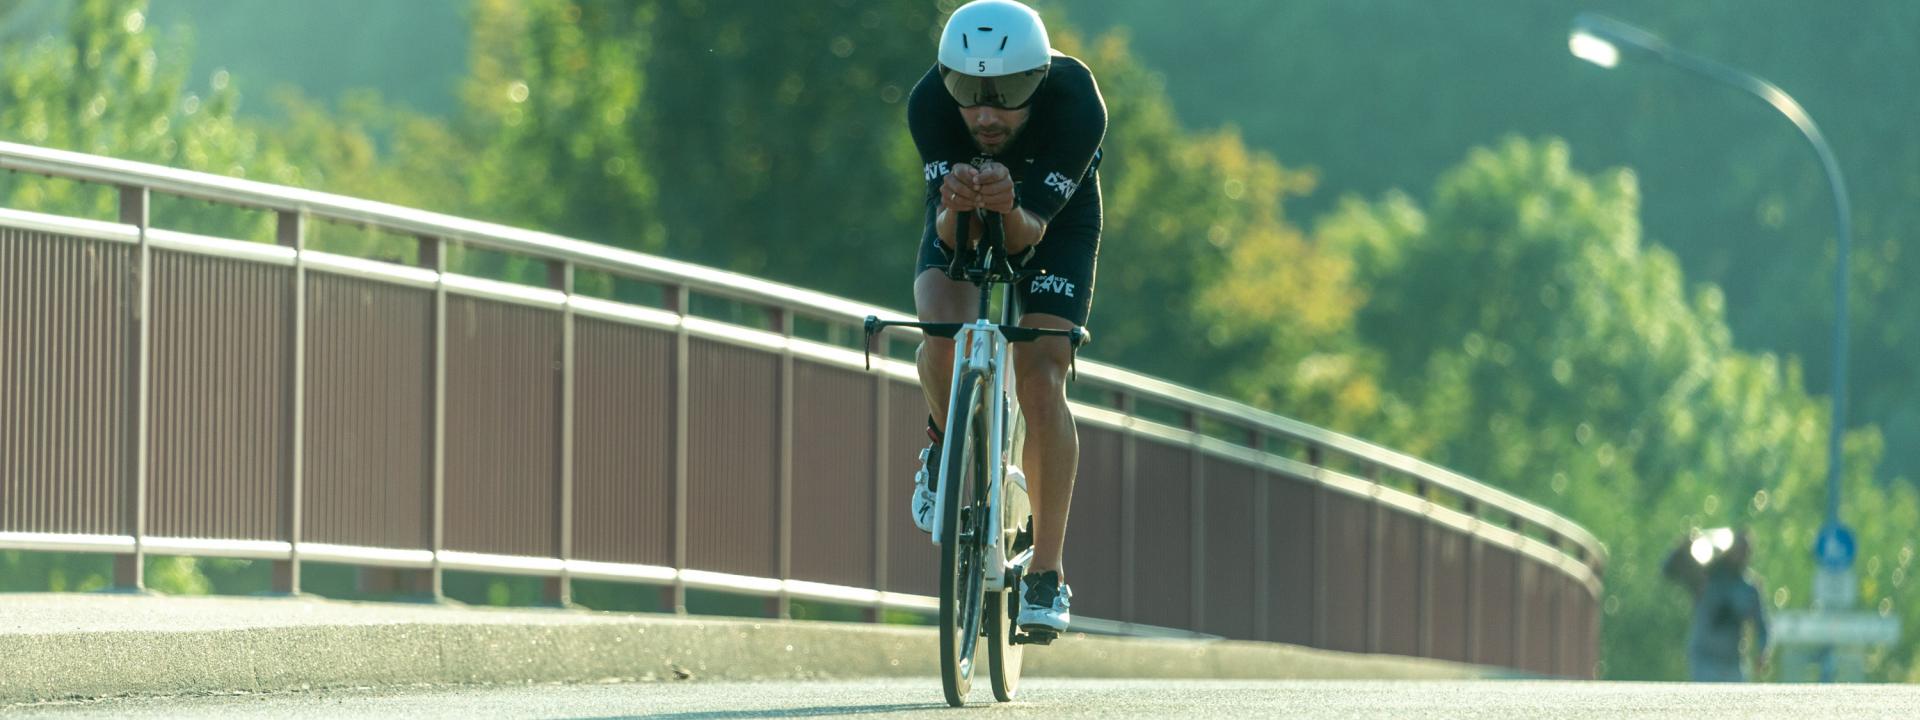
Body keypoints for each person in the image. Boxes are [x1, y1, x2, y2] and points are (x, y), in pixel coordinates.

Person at [903, 0, 1106, 635]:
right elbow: (945, 230)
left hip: (1053, 218)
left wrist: (1009, 204)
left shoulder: (1077, 103)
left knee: (1042, 368)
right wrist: (958, 205)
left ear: (1038, 81)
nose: (986, 114)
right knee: (939, 327)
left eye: (1009, 95)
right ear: (947, 81)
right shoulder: (929, 102)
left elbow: (1026, 236)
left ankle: (1046, 573)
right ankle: (943, 440)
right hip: (964, 202)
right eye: (969, 93)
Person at [1687, 530, 1771, 681]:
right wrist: (1691, 541)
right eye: (1737, 549)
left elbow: (1762, 626)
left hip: (1732, 663)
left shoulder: (1749, 589)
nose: (1740, 556)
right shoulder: (1706, 578)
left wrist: (1762, 652)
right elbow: (1668, 568)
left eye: (1745, 551)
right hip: (1704, 660)